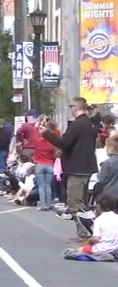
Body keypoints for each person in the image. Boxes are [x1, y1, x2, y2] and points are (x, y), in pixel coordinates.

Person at [40, 97, 98, 242]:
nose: (70, 109)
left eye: (71, 106)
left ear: (76, 107)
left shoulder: (78, 124)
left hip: (77, 168)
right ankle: (87, 232)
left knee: (75, 202)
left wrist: (47, 133)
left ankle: (84, 233)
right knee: (82, 202)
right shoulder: (89, 124)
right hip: (85, 167)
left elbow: (64, 142)